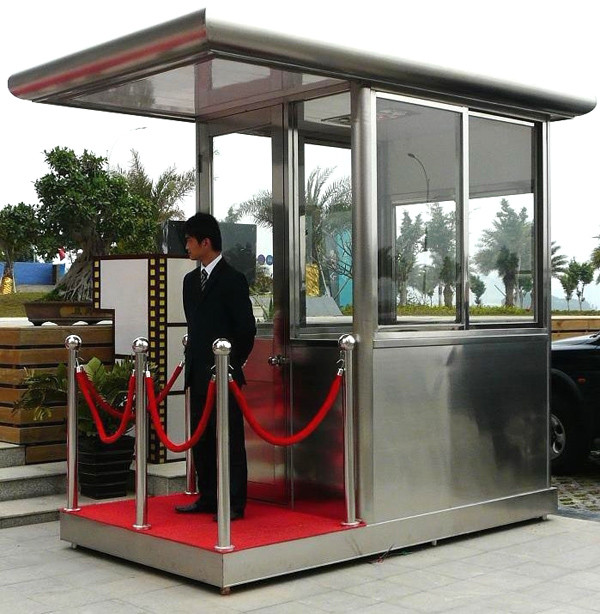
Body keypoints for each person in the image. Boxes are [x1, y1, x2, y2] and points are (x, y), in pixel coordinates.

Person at [175, 212, 256, 520]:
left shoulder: (233, 279)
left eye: (189, 241)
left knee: (230, 441)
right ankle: (208, 496)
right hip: (197, 374)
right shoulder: (189, 282)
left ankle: (234, 502)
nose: (187, 247)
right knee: (202, 439)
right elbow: (195, 328)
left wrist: (230, 365)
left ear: (205, 242)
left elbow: (245, 329)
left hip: (225, 375)